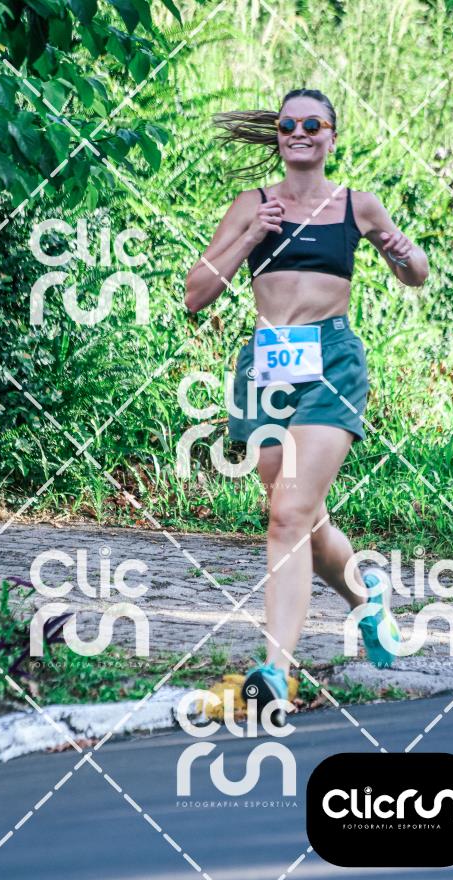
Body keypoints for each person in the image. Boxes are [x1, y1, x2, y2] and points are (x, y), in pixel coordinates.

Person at [184, 88, 429, 725]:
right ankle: (367, 596)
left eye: (312, 123)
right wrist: (250, 237)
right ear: (278, 134)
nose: (299, 131)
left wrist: (404, 254)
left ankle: (275, 671)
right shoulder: (252, 205)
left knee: (287, 515)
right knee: (300, 517)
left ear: (330, 136)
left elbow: (416, 271)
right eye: (288, 123)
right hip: (267, 366)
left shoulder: (356, 204)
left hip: (331, 363)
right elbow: (195, 294)